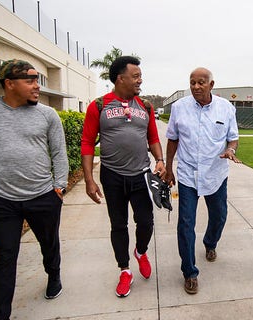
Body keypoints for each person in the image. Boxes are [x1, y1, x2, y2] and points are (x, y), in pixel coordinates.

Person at [0, 59, 68, 320]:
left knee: (49, 245)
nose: (37, 86)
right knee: (4, 258)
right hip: (1, 201)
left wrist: (59, 187)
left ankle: (53, 275)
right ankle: (1, 315)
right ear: (9, 83)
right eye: (31, 80)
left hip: (43, 196)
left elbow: (59, 153)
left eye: (38, 80)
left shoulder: (47, 114)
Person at [80, 56, 165, 298]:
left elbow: (153, 139)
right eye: (136, 76)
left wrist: (160, 161)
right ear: (120, 78)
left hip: (141, 175)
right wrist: (89, 179)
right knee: (118, 225)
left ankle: (141, 251)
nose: (140, 80)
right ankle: (125, 270)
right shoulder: (99, 106)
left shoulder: (145, 106)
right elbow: (87, 142)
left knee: (146, 222)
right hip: (112, 176)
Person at [165, 67, 241, 294]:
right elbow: (172, 140)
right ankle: (189, 272)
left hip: (216, 173)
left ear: (211, 84)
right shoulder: (179, 108)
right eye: (192, 82)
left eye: (201, 82)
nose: (196, 87)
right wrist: (169, 169)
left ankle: (210, 243)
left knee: (219, 216)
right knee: (186, 223)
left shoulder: (226, 108)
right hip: (188, 174)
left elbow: (233, 138)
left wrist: (230, 149)